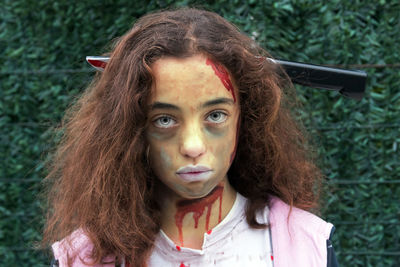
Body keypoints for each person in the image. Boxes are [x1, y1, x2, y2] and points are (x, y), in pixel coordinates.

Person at [43, 8, 339, 267]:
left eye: (215, 115)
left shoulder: (306, 246)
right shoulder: (83, 258)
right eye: (165, 120)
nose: (193, 146)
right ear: (132, 130)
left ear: (244, 120)